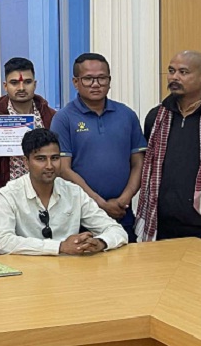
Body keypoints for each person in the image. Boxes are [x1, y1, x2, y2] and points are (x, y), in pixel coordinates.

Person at [51, 53, 146, 242]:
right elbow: (63, 169)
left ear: (109, 81)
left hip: (122, 211)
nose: (96, 84)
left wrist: (124, 199)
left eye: (102, 78)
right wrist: (100, 203)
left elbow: (138, 164)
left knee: (128, 258)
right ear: (75, 82)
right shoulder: (63, 118)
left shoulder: (127, 114)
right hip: (79, 214)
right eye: (88, 79)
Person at [0, 129, 128, 255]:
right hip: (25, 270)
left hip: (69, 268)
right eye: (41, 159)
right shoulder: (7, 195)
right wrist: (59, 247)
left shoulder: (74, 192)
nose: (49, 166)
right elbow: (3, 242)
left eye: (55, 158)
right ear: (26, 162)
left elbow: (117, 230)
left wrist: (100, 243)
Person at [138, 50, 201, 241]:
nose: (174, 77)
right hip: (163, 225)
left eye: (183, 72)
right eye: (171, 71)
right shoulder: (157, 117)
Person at [0, 57, 57, 190]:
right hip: (8, 192)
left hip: (47, 190)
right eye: (14, 83)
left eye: (27, 82)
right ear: (5, 86)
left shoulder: (51, 117)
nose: (21, 88)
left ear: (35, 84)